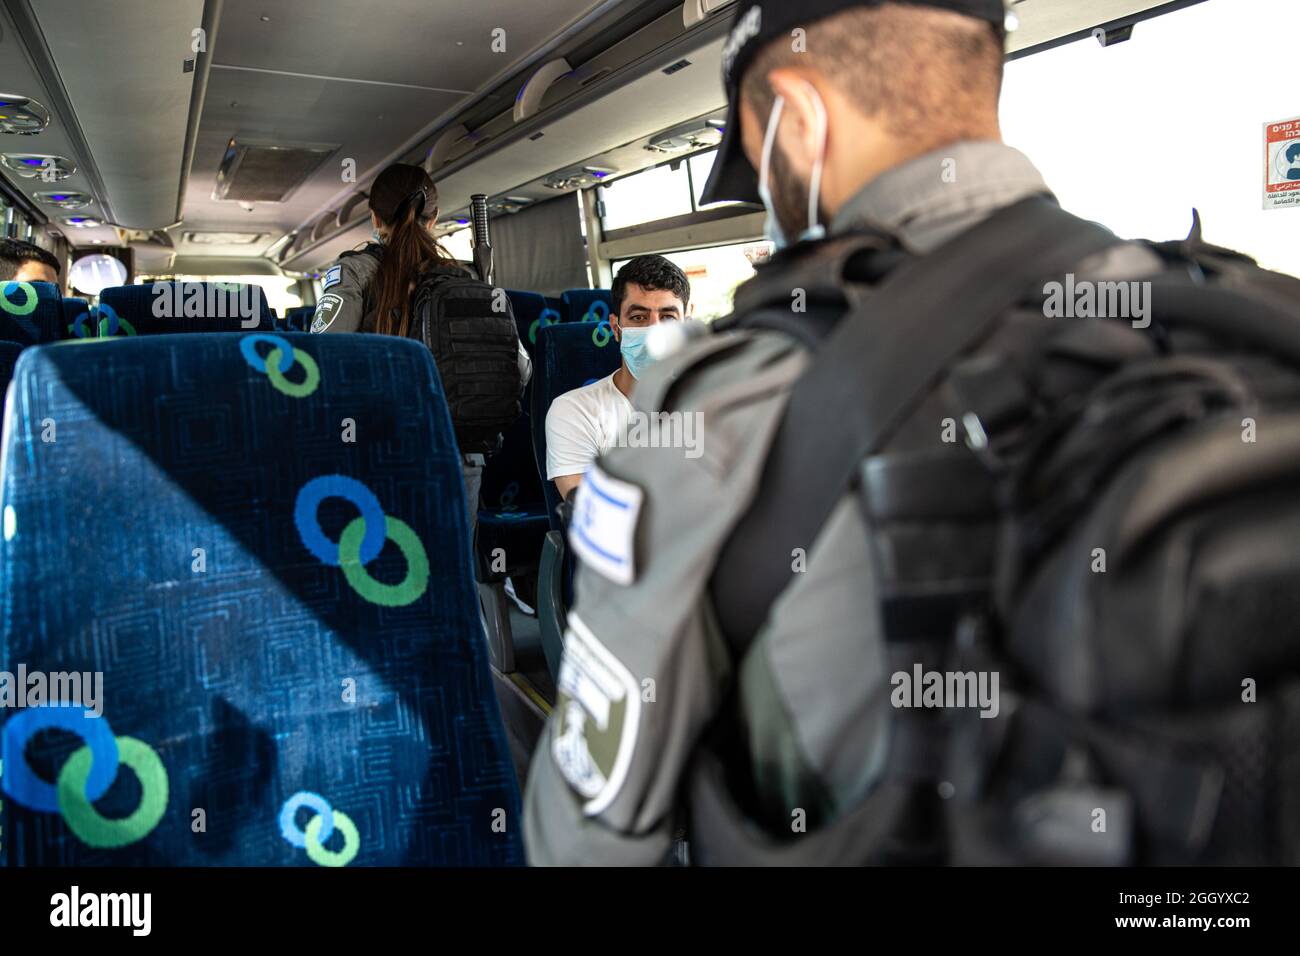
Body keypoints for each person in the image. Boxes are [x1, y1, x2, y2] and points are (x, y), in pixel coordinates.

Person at [524, 0, 1300, 866]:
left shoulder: (722, 406)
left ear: (799, 119)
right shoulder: (1247, 312)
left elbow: (587, 839)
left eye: (756, 158)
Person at [311, 163, 531, 536]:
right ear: (435, 218)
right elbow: (520, 367)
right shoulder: (469, 278)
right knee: (455, 571)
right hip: (460, 452)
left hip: (380, 452)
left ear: (374, 218)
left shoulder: (355, 272)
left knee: (390, 573)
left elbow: (321, 360)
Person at [544, 255, 691, 500]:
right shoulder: (575, 410)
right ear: (615, 327)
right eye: (638, 317)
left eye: (667, 317)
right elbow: (590, 512)